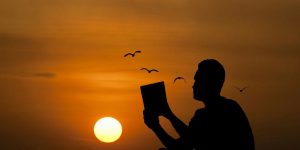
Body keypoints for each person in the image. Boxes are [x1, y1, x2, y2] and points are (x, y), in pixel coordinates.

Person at [143, 59, 255, 150]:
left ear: (208, 82)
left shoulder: (217, 112)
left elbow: (182, 145)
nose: (193, 85)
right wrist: (168, 115)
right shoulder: (229, 107)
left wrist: (156, 126)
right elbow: (190, 137)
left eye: (197, 80)